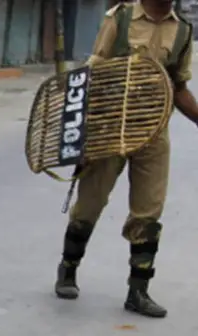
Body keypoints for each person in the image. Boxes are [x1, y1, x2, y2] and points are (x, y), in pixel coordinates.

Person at [54, 0, 198, 318]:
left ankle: (138, 290)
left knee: (148, 211)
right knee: (89, 204)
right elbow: (92, 72)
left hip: (153, 133)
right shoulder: (119, 19)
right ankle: (68, 268)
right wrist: (81, 133)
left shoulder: (183, 31)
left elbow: (178, 87)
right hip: (109, 129)